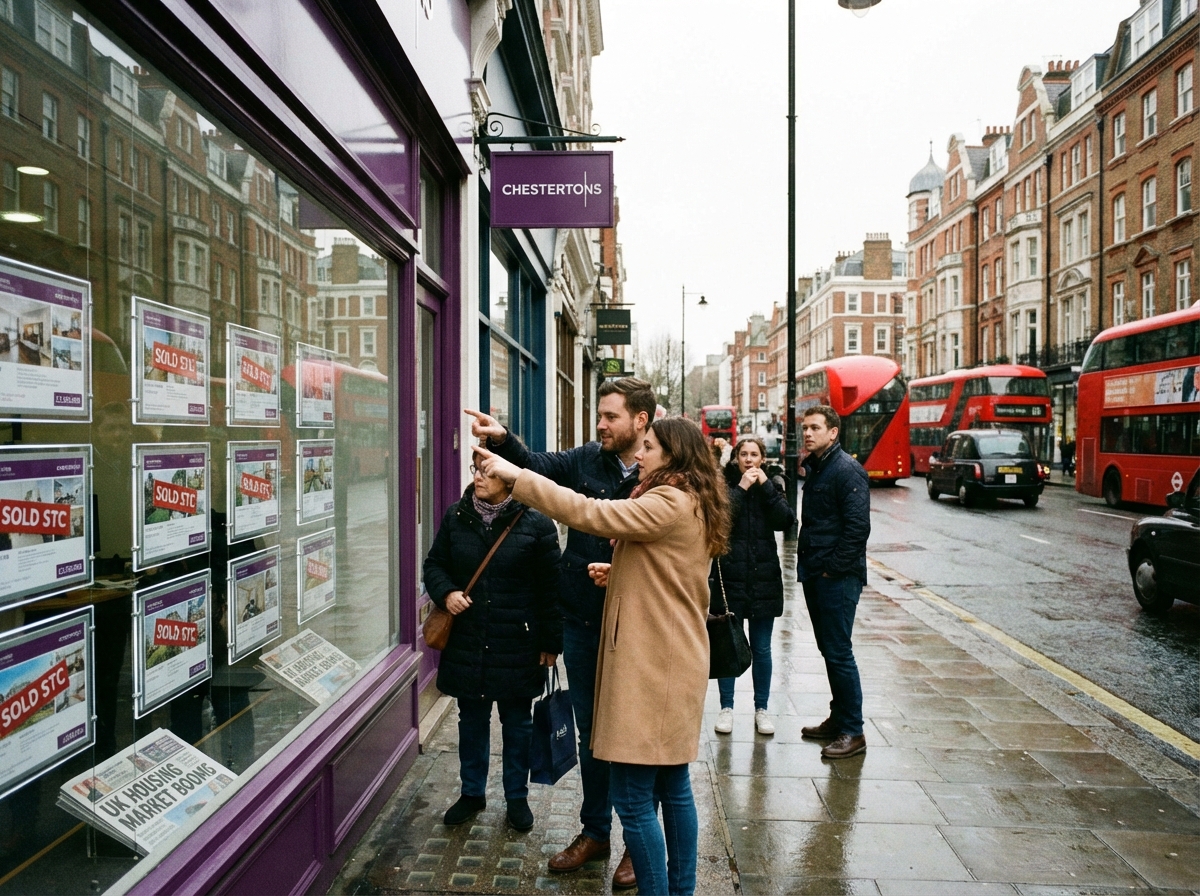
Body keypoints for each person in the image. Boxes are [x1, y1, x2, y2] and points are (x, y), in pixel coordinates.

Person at [472, 416, 730, 896]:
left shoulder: (668, 500)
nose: (641, 455)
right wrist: (623, 572)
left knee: (632, 799)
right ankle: (680, 890)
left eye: (649, 447)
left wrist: (514, 476)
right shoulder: (693, 499)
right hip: (673, 662)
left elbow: (588, 512)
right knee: (673, 790)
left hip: (653, 669)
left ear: (673, 455)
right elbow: (675, 575)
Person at [465, 376, 655, 889]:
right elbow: (537, 467)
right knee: (593, 734)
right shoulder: (587, 459)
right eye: (599, 415)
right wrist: (503, 441)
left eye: (611, 416)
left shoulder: (660, 471)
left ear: (641, 420)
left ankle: (642, 845)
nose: (601, 424)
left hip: (636, 626)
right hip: (583, 619)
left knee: (637, 737)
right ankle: (595, 834)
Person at [422, 461, 562, 832]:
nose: (479, 477)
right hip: (468, 640)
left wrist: (551, 642)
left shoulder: (537, 523)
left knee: (517, 723)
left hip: (518, 640)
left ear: (510, 479)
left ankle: (516, 797)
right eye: (476, 469)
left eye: (489, 472)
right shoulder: (457, 516)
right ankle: (472, 793)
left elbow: (552, 590)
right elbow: (435, 564)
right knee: (471, 721)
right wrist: (447, 592)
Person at [795, 405, 871, 760]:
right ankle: (838, 718)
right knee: (830, 649)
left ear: (833, 432)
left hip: (836, 578)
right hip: (817, 573)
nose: (807, 433)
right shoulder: (819, 466)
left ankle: (853, 731)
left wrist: (832, 569)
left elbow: (858, 529)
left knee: (839, 651)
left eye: (814, 428)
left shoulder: (846, 470)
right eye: (805, 428)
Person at [712, 436, 795, 737]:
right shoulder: (723, 484)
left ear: (762, 458)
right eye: (743, 454)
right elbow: (719, 521)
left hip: (763, 579)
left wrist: (766, 488)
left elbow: (785, 521)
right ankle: (727, 708)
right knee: (728, 644)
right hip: (730, 579)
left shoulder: (773, 483)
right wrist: (742, 488)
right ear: (735, 458)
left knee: (761, 648)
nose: (749, 460)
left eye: (754, 454)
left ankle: (762, 709)